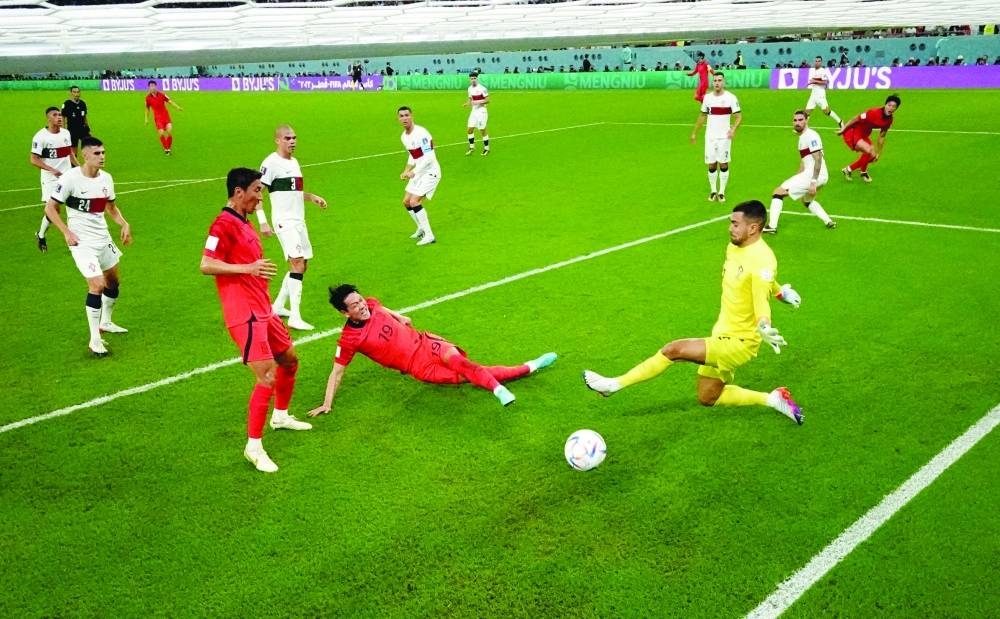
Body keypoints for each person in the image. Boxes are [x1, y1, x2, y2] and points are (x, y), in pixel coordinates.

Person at [583, 200, 804, 425]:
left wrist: (764, 324)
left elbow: (760, 298)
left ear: (753, 228)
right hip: (722, 332)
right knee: (708, 396)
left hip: (740, 342)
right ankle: (773, 399)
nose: (730, 228)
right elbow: (764, 281)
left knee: (674, 349)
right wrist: (780, 293)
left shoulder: (762, 260)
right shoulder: (735, 247)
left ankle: (613, 385)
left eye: (736, 224)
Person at [200, 167, 312, 474]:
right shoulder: (222, 224)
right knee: (267, 376)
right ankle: (253, 446)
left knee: (289, 360)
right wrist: (247, 268)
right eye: (256, 191)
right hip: (243, 312)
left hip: (263, 308)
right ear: (239, 192)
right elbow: (206, 264)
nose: (259, 197)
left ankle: (281, 415)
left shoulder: (244, 221)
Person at [307, 284, 558, 416]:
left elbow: (380, 309)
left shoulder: (371, 304)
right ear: (344, 312)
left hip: (427, 343)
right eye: (354, 305)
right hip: (418, 367)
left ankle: (498, 390)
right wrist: (326, 403)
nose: (362, 306)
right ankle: (532, 365)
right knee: (468, 376)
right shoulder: (349, 340)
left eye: (360, 300)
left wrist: (399, 316)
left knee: (462, 364)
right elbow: (337, 373)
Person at [43, 137, 131, 356]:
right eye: (97, 153)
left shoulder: (107, 179)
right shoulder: (70, 179)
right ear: (85, 155)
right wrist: (66, 232)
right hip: (82, 243)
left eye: (103, 152)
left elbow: (111, 207)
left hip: (103, 239)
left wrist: (124, 223)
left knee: (113, 282)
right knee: (97, 284)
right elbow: (50, 208)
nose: (102, 157)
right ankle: (94, 340)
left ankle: (106, 322)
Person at [257, 125, 329, 331]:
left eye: (294, 138)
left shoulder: (294, 162)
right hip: (284, 220)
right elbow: (257, 192)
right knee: (296, 263)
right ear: (277, 140)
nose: (292, 141)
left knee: (303, 264)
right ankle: (295, 317)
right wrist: (262, 220)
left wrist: (311, 197)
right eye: (288, 138)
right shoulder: (270, 163)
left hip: (299, 220)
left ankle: (278, 306)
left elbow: (294, 191)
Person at [764, 110, 836, 233]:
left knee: (778, 192)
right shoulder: (803, 137)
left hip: (814, 175)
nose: (797, 123)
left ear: (807, 120)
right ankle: (828, 221)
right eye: (795, 120)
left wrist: (813, 181)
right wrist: (797, 177)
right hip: (819, 176)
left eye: (800, 120)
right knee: (807, 200)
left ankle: (772, 227)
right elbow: (804, 162)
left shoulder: (811, 135)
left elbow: (817, 158)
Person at [30, 106, 77, 252]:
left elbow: (69, 153)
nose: (59, 117)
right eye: (55, 115)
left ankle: (75, 238)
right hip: (50, 179)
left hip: (67, 177)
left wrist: (80, 167)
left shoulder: (66, 133)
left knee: (74, 206)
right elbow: (33, 159)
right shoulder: (40, 137)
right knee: (54, 210)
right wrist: (51, 170)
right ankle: (41, 234)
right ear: (48, 118)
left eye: (60, 115)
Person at [691, 73, 741, 203]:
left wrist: (733, 129)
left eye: (720, 80)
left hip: (724, 137)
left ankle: (722, 192)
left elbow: (739, 116)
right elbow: (702, 115)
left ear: (724, 82)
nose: (717, 83)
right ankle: (713, 191)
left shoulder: (731, 98)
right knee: (711, 164)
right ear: (713, 82)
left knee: (723, 163)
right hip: (710, 137)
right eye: (715, 81)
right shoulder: (707, 98)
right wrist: (694, 132)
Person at [398, 106, 439, 246]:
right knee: (406, 201)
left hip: (430, 172)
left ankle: (429, 235)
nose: (404, 118)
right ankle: (421, 227)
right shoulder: (404, 137)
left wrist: (413, 172)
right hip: (418, 172)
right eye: (401, 116)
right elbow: (413, 155)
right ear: (398, 118)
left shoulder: (422, 133)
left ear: (412, 116)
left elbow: (429, 157)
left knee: (414, 201)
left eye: (406, 115)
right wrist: (406, 170)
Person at [837, 93, 901, 183]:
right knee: (868, 149)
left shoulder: (889, 120)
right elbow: (855, 119)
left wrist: (878, 152)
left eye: (893, 106)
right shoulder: (873, 113)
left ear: (896, 108)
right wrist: (843, 129)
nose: (890, 108)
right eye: (889, 105)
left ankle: (849, 170)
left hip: (864, 135)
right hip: (853, 132)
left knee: (873, 156)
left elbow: (882, 136)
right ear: (885, 105)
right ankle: (863, 171)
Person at [144, 80, 182, 155]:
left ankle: (168, 149)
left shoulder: (162, 95)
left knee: (169, 131)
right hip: (158, 118)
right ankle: (166, 149)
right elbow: (147, 109)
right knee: (161, 133)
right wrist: (146, 119)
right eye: (150, 86)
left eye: (153, 86)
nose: (152, 87)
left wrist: (177, 107)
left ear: (156, 86)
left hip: (165, 116)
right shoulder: (148, 98)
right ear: (149, 88)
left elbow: (170, 101)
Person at [805, 56, 844, 129]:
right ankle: (804, 128)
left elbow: (826, 82)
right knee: (807, 112)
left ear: (821, 62)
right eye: (816, 61)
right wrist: (811, 83)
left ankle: (840, 121)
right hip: (813, 94)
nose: (817, 62)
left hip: (820, 95)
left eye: (819, 61)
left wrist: (814, 81)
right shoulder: (813, 71)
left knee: (826, 111)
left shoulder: (822, 71)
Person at [464, 72, 490, 156]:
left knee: (482, 130)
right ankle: (472, 147)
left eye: (474, 78)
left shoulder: (482, 88)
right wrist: (467, 103)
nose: (473, 80)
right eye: (471, 79)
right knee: (469, 129)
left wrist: (477, 102)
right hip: (474, 111)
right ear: (470, 79)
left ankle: (486, 148)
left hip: (481, 111)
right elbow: (470, 99)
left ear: (477, 79)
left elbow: (487, 100)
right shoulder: (469, 89)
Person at [61, 85, 91, 158]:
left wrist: (88, 128)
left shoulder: (82, 103)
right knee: (74, 149)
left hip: (82, 129)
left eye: (78, 92)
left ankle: (89, 163)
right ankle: (74, 167)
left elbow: (84, 117)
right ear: (71, 93)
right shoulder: (67, 104)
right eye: (74, 92)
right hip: (72, 130)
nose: (76, 94)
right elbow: (63, 117)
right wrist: (63, 130)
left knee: (89, 145)